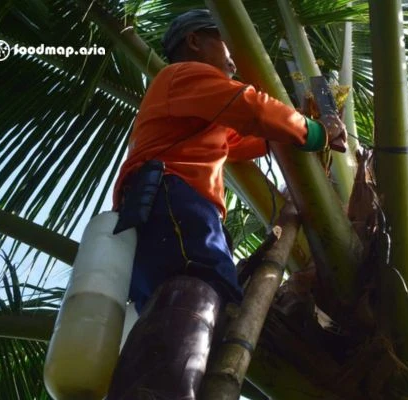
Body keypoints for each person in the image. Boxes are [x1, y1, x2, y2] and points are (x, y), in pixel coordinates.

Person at [107, 9, 346, 400]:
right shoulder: (183, 75)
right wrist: (313, 131)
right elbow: (250, 109)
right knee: (200, 282)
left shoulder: (196, 104)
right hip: (173, 196)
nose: (234, 55)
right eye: (224, 40)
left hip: (163, 209)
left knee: (189, 302)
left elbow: (237, 141)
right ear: (194, 42)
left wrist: (286, 132)